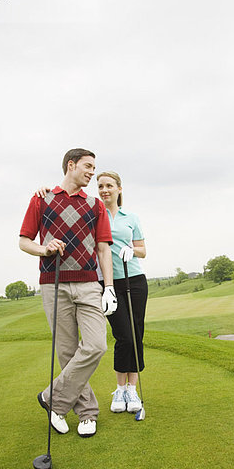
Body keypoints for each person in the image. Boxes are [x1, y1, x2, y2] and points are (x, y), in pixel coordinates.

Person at [19, 148, 117, 439]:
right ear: (71, 165)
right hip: (53, 283)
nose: (91, 172)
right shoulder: (42, 199)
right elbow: (24, 241)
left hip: (88, 284)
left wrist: (108, 287)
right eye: (87, 166)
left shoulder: (95, 205)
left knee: (97, 345)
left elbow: (103, 249)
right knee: (66, 351)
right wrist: (44, 248)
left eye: (94, 167)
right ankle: (87, 413)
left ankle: (53, 399)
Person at [96, 171, 148, 415]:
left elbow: (143, 250)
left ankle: (132, 390)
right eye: (100, 186)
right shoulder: (95, 214)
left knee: (136, 335)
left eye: (109, 185)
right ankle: (119, 388)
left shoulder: (131, 217)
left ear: (119, 189)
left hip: (135, 280)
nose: (104, 190)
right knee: (123, 336)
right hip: (107, 283)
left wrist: (131, 250)